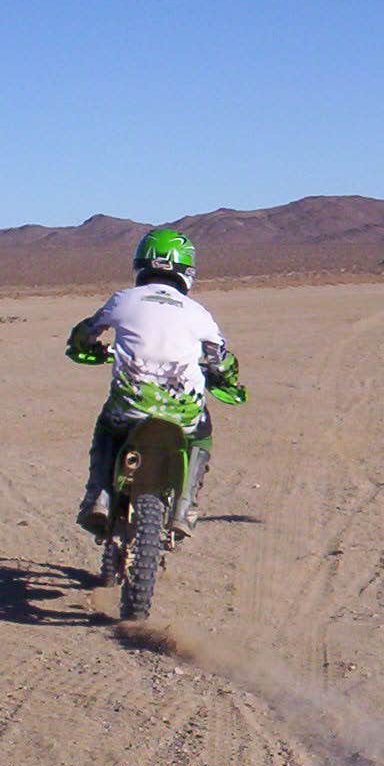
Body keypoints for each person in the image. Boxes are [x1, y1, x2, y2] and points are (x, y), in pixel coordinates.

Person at [66, 228, 245, 537]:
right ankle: (186, 505)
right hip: (184, 412)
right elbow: (222, 359)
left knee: (107, 426)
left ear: (141, 264)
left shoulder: (122, 300)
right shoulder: (199, 313)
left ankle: (99, 495)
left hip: (129, 406)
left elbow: (86, 333)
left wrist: (87, 347)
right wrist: (225, 378)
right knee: (201, 434)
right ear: (187, 270)